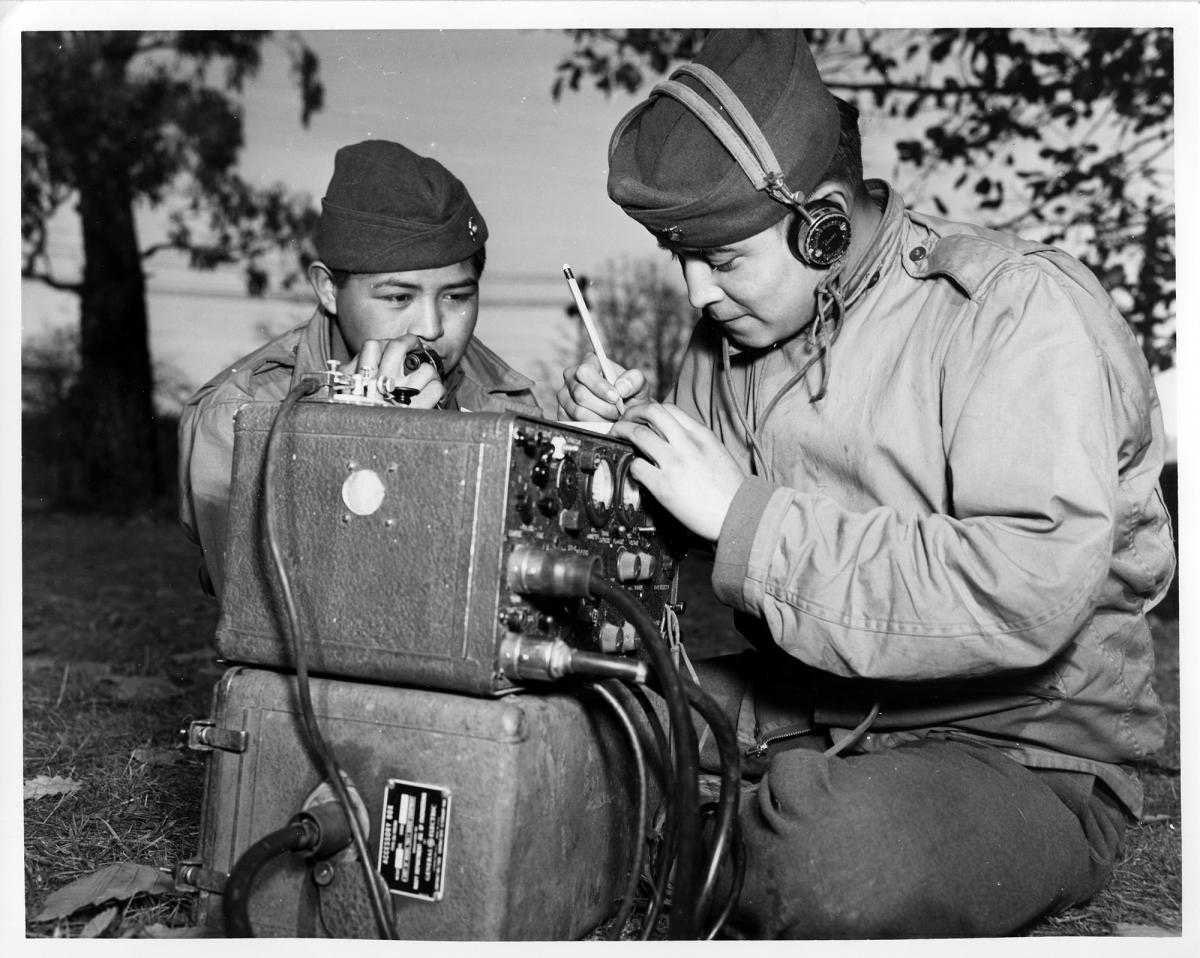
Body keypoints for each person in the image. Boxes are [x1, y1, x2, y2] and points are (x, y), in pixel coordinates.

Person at [558, 29, 1175, 938]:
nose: (696, 295)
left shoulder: (1013, 312)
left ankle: (726, 824)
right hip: (810, 712)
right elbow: (695, 533)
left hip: (1018, 750)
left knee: (834, 864)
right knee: (574, 718)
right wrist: (627, 453)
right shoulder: (735, 335)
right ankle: (741, 809)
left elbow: (1026, 587)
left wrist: (745, 518)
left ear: (824, 225)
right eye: (677, 257)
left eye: (721, 260)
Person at [179, 140, 547, 598]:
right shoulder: (242, 416)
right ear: (328, 289)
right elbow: (259, 604)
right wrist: (342, 446)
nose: (431, 328)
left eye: (457, 297)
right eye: (398, 297)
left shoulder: (506, 402)